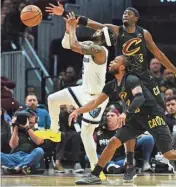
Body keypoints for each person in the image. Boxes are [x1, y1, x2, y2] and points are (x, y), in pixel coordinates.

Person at [45, 3, 176, 181]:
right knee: (127, 124)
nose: (125, 14)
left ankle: (166, 154)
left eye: (129, 13)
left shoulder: (143, 34)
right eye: (124, 12)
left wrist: (173, 69)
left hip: (144, 81)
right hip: (128, 81)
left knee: (155, 113)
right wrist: (65, 14)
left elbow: (158, 54)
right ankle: (128, 164)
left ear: (136, 18)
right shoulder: (116, 32)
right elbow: (90, 22)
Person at [69, 55, 176, 185]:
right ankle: (95, 175)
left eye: (115, 61)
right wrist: (77, 111)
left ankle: (132, 164)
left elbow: (139, 98)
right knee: (113, 141)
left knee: (169, 154)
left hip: (152, 115)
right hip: (136, 118)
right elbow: (94, 103)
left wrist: (126, 113)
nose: (110, 62)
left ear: (122, 67)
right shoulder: (111, 85)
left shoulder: (131, 79)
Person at [47, 12, 116, 180]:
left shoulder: (99, 50)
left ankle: (96, 170)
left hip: (96, 98)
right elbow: (66, 44)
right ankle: (54, 130)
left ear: (103, 37)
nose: (97, 30)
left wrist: (72, 27)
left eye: (100, 31)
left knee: (86, 134)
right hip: (83, 90)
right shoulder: (91, 44)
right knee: (52, 99)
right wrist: (67, 28)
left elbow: (74, 44)